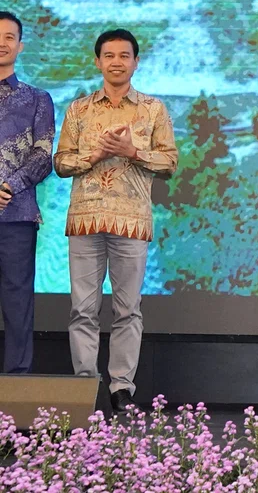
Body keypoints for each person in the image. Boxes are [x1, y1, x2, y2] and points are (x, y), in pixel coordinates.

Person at [54, 29, 178, 412]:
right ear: (97, 62)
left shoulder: (153, 110)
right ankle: (85, 387)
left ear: (136, 62)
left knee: (128, 309)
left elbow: (169, 163)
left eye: (124, 55)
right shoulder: (79, 109)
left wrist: (132, 150)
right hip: (85, 220)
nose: (117, 62)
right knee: (82, 309)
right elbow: (60, 162)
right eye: (109, 55)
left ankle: (121, 388)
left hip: (131, 221)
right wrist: (92, 156)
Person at [0, 10, 54, 374]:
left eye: (8, 36)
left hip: (16, 217)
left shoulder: (37, 98)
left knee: (18, 301)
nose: (1, 43)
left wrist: (8, 186)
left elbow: (43, 155)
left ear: (21, 46)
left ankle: (16, 382)